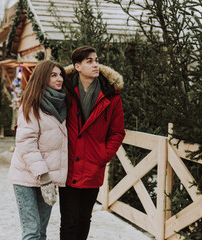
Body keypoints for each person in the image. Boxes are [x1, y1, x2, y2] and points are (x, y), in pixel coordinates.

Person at [59, 46, 126, 240]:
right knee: (69, 220)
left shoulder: (111, 94)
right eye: (89, 61)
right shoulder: (65, 90)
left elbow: (117, 131)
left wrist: (103, 155)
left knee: (83, 219)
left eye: (96, 60)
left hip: (93, 165)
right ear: (77, 66)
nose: (96, 64)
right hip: (69, 164)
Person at [8, 60, 68, 240]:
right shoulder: (31, 105)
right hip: (26, 177)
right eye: (54, 75)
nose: (60, 79)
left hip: (48, 179)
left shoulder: (63, 106)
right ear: (43, 78)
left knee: (41, 232)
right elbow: (26, 143)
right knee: (32, 231)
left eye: (61, 75)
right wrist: (44, 175)